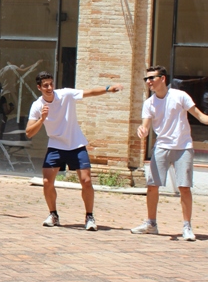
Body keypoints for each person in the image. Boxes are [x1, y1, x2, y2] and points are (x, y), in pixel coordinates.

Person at [25, 72, 122, 230]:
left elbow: (90, 92)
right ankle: (53, 215)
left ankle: (89, 217)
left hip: (76, 144)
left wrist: (108, 89)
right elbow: (29, 132)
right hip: (56, 146)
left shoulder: (66, 94)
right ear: (39, 88)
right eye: (45, 85)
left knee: (86, 181)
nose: (49, 87)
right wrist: (42, 119)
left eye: (51, 84)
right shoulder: (37, 105)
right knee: (47, 182)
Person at [132, 66, 208, 241]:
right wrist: (142, 130)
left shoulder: (179, 96)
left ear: (163, 78)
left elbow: (200, 116)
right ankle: (151, 224)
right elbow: (145, 126)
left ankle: (187, 227)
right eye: (146, 79)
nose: (148, 82)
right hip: (161, 147)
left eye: (152, 78)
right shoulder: (149, 103)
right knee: (152, 186)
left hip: (183, 147)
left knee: (184, 187)